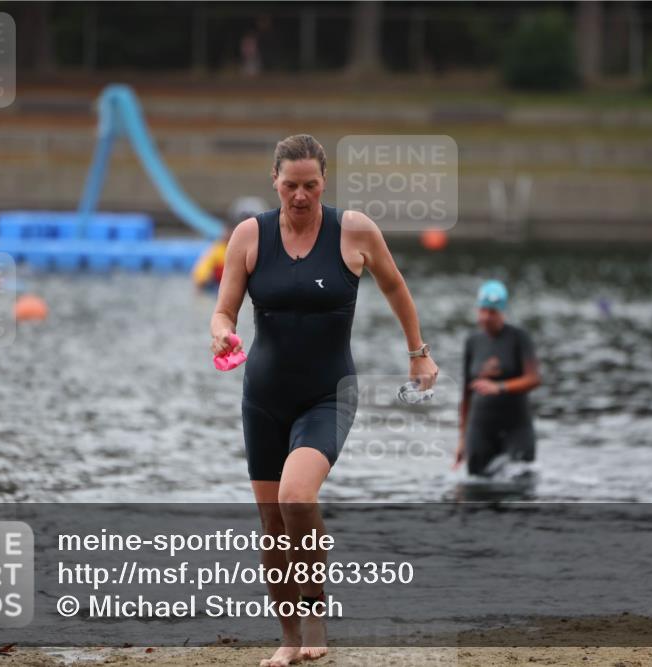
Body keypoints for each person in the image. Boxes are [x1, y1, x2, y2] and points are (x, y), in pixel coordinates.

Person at [209, 134, 438, 666]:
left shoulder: (353, 230)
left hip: (328, 393)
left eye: (311, 185)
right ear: (274, 181)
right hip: (263, 397)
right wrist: (220, 332)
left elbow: (396, 287)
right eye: (291, 185)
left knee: (296, 497)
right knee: (271, 522)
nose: (301, 196)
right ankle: (289, 641)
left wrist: (418, 353)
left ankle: (316, 617)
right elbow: (223, 311)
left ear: (324, 182)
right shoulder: (249, 235)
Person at [454, 280, 540, 476]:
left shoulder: (519, 338)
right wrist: (461, 439)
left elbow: (534, 378)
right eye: (482, 311)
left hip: (516, 425)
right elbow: (466, 393)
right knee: (476, 486)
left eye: (492, 312)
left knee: (520, 479)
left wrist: (500, 387)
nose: (485, 317)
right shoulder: (473, 342)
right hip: (481, 425)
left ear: (502, 312)